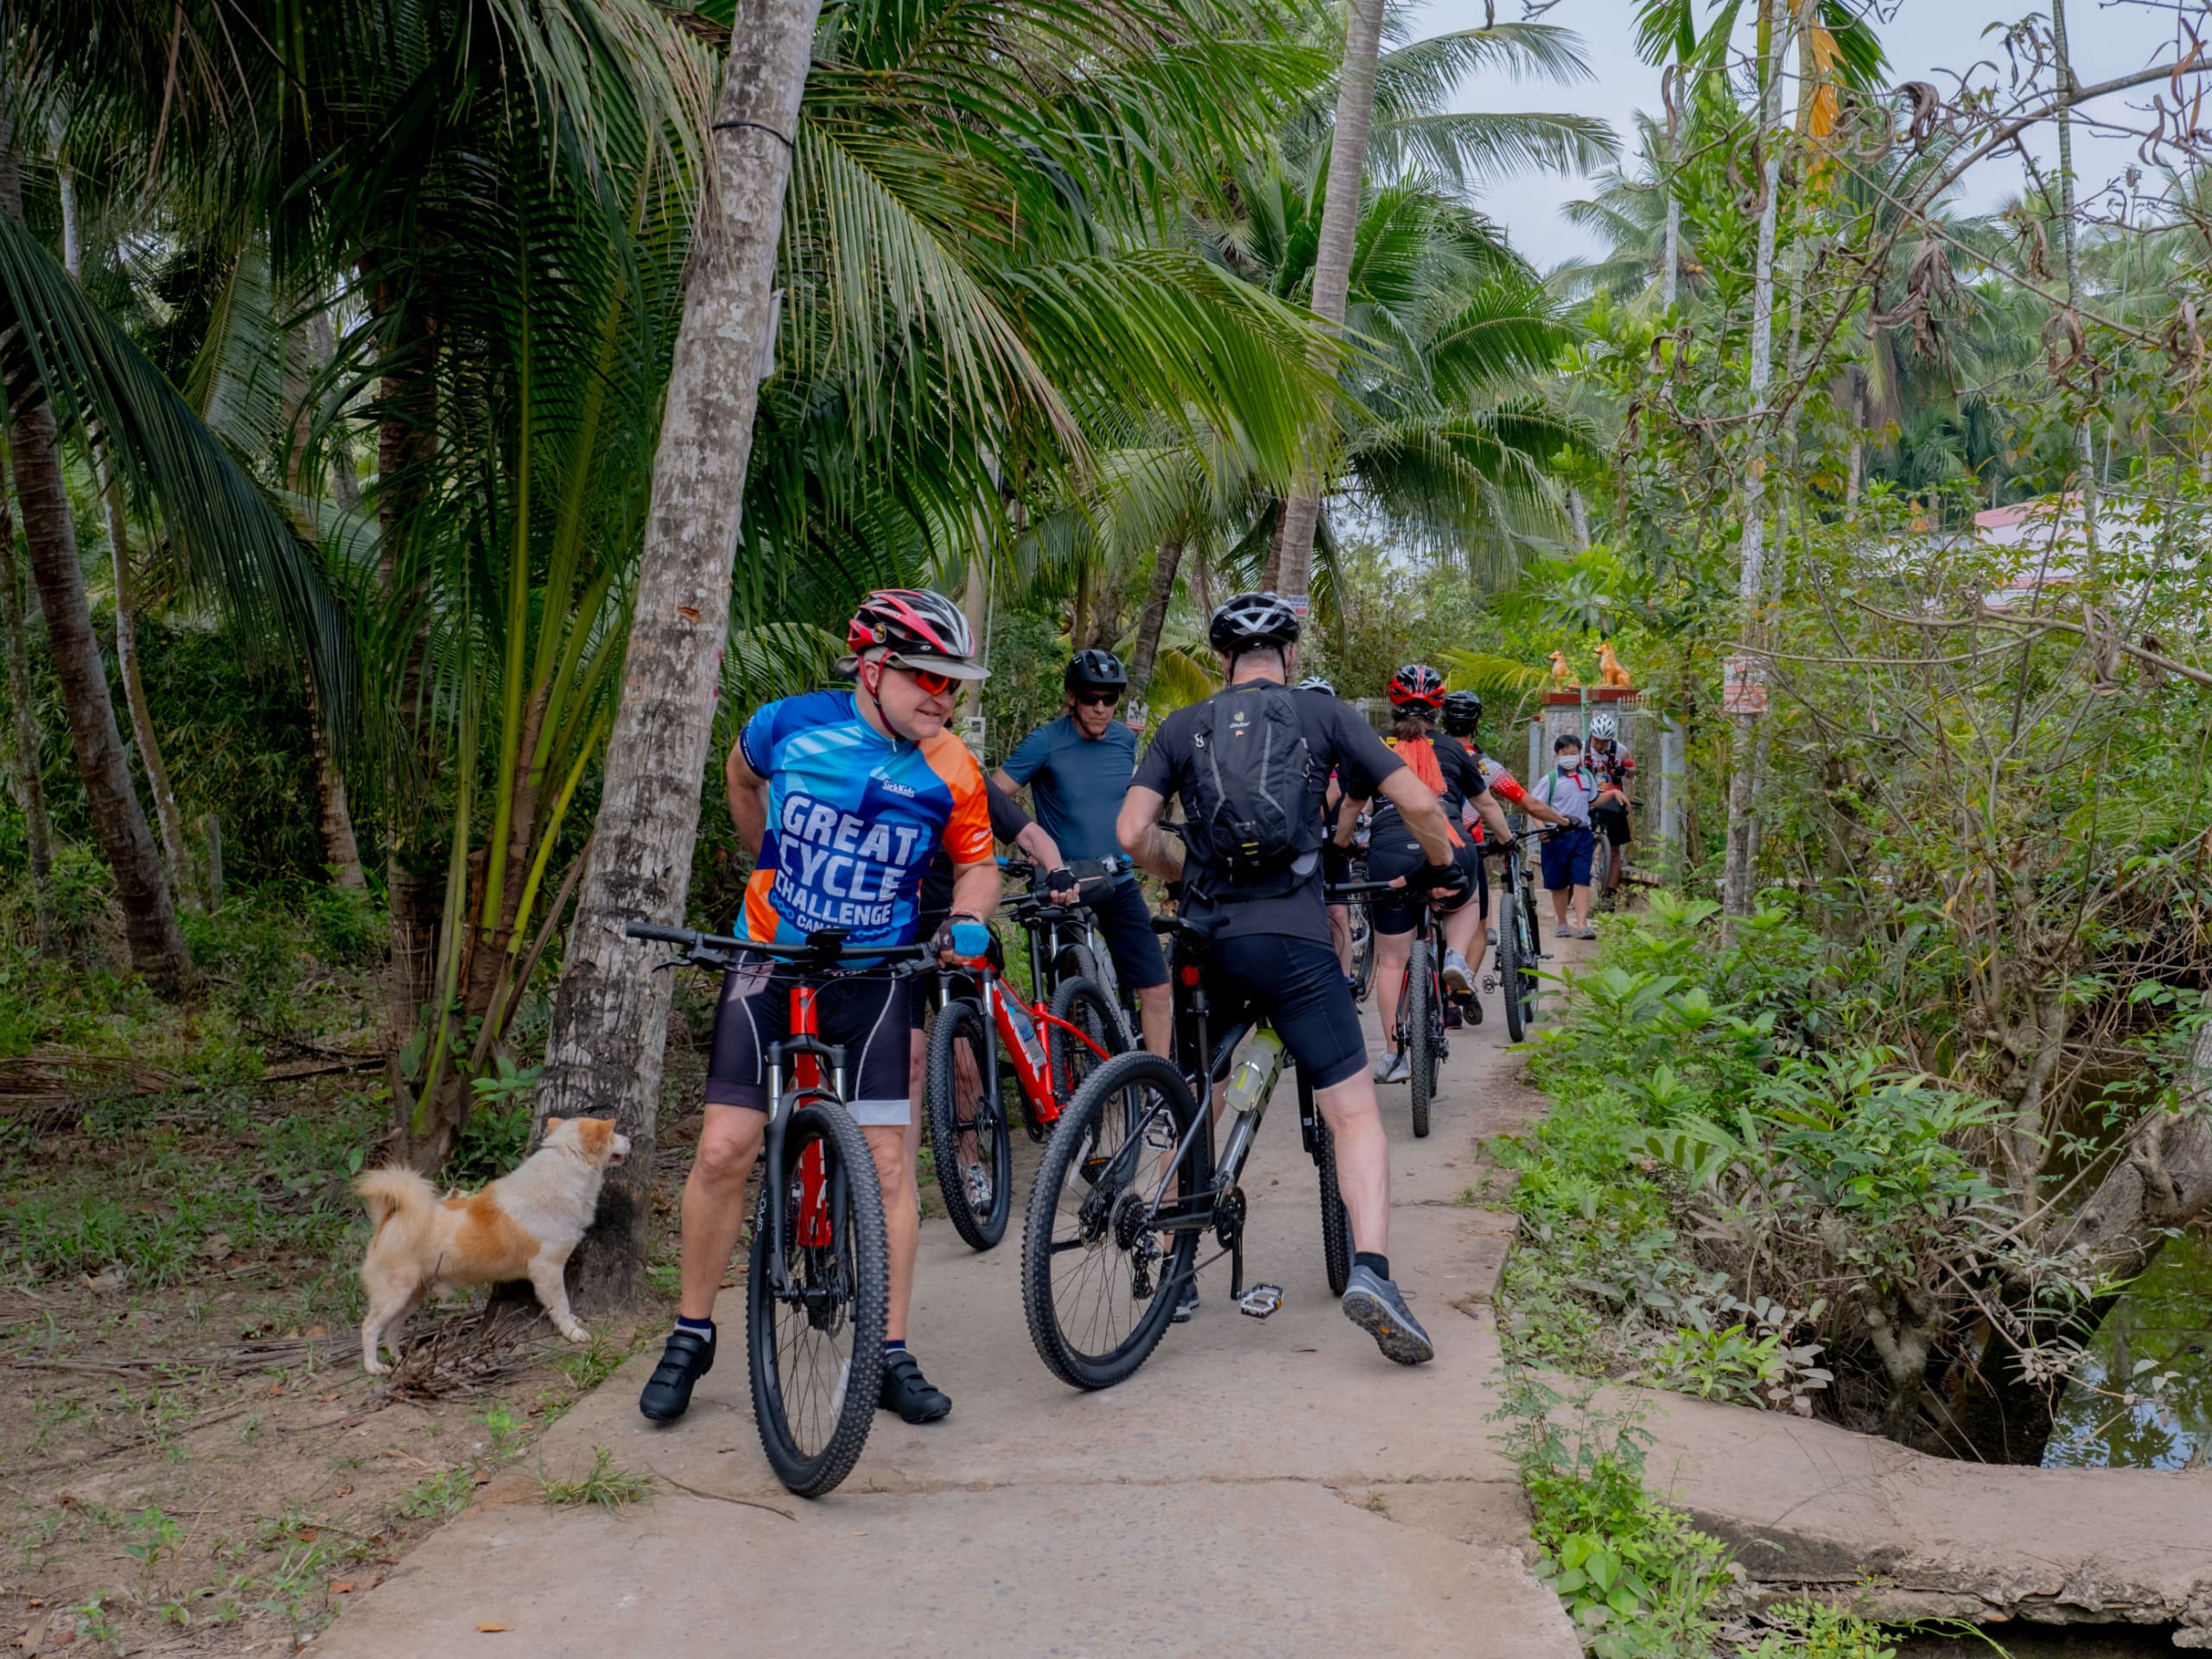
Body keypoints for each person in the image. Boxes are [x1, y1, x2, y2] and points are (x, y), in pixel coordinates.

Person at [639, 589, 1000, 1429]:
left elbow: (977, 865)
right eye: (924, 677)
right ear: (871, 668)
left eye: (953, 684)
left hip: (875, 976)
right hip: (768, 962)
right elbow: (739, 775)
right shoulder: (786, 725)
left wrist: (970, 915)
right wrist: (760, 857)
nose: (941, 697)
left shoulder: (953, 768)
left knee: (885, 1164)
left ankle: (890, 1352)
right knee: (726, 1149)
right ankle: (691, 1336)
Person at [1116, 593, 1466, 1364]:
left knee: (1194, 1094)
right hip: (1295, 939)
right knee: (1352, 1114)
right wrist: (1442, 863)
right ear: (1291, 656)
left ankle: (1178, 1265)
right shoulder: (1326, 716)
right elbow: (1415, 800)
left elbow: (1131, 833)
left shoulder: (1183, 726)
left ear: (1220, 662)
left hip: (1206, 938)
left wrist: (1181, 872)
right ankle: (1371, 1272)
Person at [907, 775, 1071, 1224]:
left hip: (957, 929)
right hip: (897, 936)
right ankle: (901, 1186)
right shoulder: (876, 764)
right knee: (910, 1062)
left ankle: (971, 1162)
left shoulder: (960, 773)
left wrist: (1056, 869)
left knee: (963, 1058)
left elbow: (1029, 833)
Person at [993, 650, 1173, 1055]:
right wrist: (1029, 845)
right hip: (1063, 882)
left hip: (1118, 880)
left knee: (1157, 988)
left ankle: (1160, 1091)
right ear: (1072, 697)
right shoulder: (1045, 741)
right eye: (1092, 697)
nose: (1101, 708)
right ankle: (1067, 1075)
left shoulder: (1126, 740)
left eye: (1110, 699)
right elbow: (992, 795)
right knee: (1066, 992)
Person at [1363, 667, 1510, 1079]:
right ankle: (1458, 957)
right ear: (1439, 711)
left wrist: (1341, 844)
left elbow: (1350, 808)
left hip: (1389, 852)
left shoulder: (1373, 747)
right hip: (1449, 846)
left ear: (1392, 705)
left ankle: (1394, 1056)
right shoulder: (1455, 751)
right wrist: (1505, 841)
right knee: (1468, 901)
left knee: (1392, 962)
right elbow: (1488, 808)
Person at [1438, 690, 1566, 995]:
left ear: (1443, 721)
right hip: (1468, 850)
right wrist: (1565, 821)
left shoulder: (1427, 756)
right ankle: (1457, 998)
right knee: (1479, 925)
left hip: (1419, 847)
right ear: (1476, 723)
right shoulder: (1485, 767)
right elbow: (1529, 803)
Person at [1532, 732, 1601, 939]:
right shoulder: (1550, 780)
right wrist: (1541, 829)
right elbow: (1535, 807)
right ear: (1557, 755)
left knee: (1581, 878)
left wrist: (1614, 795)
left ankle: (1582, 924)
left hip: (1582, 835)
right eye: (1565, 753)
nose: (1570, 756)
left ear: (1580, 754)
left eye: (1574, 752)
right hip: (1555, 836)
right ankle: (1562, 922)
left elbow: (1592, 801)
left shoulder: (1588, 777)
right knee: (1559, 881)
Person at [1586, 710, 1635, 901]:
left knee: (1615, 850)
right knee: (1582, 845)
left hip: (1614, 802)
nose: (1600, 745)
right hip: (1590, 801)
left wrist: (1626, 770)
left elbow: (1633, 770)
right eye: (1597, 740)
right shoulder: (1582, 750)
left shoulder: (1620, 750)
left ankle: (1610, 898)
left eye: (1604, 741)